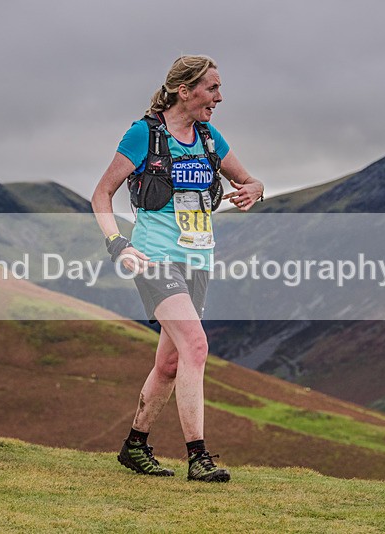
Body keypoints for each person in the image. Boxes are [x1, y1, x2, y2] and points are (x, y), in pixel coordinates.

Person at [91, 55, 264, 482]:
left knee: (170, 364)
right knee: (196, 346)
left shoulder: (208, 138)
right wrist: (118, 244)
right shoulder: (143, 135)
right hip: (154, 259)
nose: (219, 97)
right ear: (184, 91)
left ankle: (135, 446)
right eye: (212, 89)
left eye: (219, 89)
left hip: (198, 260)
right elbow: (101, 194)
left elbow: (251, 181)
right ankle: (199, 457)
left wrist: (254, 192)